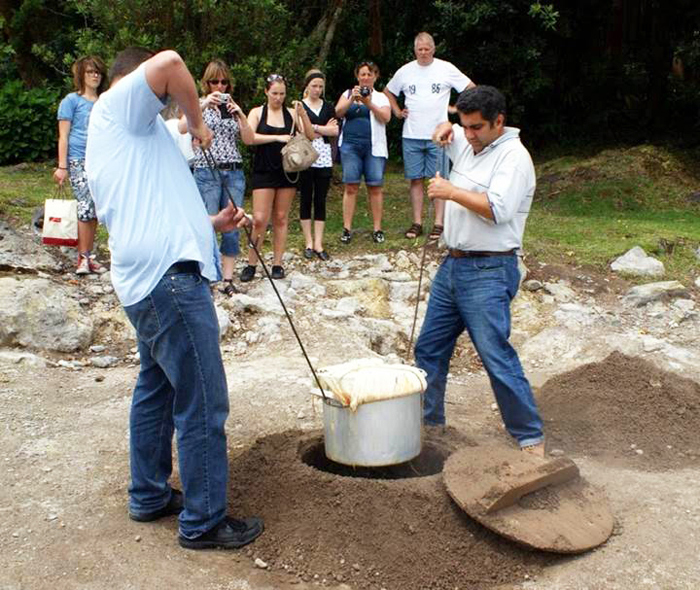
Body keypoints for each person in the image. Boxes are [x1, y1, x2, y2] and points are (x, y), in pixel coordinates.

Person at [85, 47, 264, 549]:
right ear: (130, 83)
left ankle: (147, 494)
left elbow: (153, 204)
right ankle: (205, 522)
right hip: (169, 281)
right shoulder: (117, 106)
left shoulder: (133, 137)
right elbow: (170, 63)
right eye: (160, 100)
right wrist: (196, 117)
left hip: (145, 281)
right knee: (203, 399)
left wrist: (211, 224)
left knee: (157, 388)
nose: (164, 105)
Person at [414, 85, 545, 456]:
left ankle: (530, 437)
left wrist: (450, 191)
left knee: (494, 354)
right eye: (464, 126)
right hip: (453, 264)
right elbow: (448, 132)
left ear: (499, 122)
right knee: (429, 348)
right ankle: (430, 425)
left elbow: (497, 209)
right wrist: (444, 126)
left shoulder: (514, 158)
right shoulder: (470, 142)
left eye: (476, 128)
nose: (467, 135)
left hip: (490, 267)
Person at [384, 32, 474, 242]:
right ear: (415, 50)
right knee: (415, 180)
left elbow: (470, 88)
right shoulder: (405, 71)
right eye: (420, 50)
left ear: (433, 49)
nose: (423, 53)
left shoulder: (446, 68)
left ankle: (439, 223)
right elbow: (388, 92)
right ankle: (417, 222)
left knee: (439, 179)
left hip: (439, 135)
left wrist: (456, 108)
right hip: (411, 134)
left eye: (427, 49)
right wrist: (397, 111)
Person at [240, 74, 314, 282]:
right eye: (274, 93)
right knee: (260, 219)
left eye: (282, 94)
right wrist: (276, 137)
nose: (278, 98)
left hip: (287, 171)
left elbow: (309, 136)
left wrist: (303, 114)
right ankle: (251, 262)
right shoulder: (257, 112)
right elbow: (250, 138)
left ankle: (277, 263)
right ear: (266, 92)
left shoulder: (291, 113)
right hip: (264, 169)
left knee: (281, 217)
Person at [190, 59, 254, 295]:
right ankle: (207, 275)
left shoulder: (233, 106)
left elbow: (248, 140)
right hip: (207, 170)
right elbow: (182, 127)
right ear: (206, 83)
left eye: (224, 82)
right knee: (207, 222)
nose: (220, 86)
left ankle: (227, 279)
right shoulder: (198, 104)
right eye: (214, 81)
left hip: (234, 170)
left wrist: (242, 116)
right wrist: (205, 104)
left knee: (233, 224)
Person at [54, 55, 109, 275]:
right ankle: (83, 258)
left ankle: (87, 255)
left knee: (95, 209)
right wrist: (62, 166)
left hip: (102, 161)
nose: (95, 76)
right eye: (90, 72)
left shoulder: (105, 102)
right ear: (81, 75)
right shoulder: (71, 101)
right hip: (78, 160)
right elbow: (64, 136)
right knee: (86, 207)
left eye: (98, 72)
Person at [335, 60, 391, 245]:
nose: (366, 77)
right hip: (350, 146)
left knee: (375, 187)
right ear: (357, 76)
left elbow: (385, 118)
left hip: (373, 147)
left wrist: (369, 103)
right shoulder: (348, 93)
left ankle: (377, 229)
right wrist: (353, 99)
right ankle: (347, 228)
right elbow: (338, 112)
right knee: (351, 187)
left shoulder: (381, 97)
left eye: (369, 74)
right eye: (363, 74)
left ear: (375, 76)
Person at [299, 69, 338, 261]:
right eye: (314, 86)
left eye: (320, 86)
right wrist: (321, 128)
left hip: (324, 156)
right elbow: (307, 133)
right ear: (307, 86)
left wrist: (316, 128)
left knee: (320, 199)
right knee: (306, 197)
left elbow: (335, 130)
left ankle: (318, 243)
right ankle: (307, 241)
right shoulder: (300, 106)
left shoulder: (329, 107)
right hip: (306, 155)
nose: (317, 90)